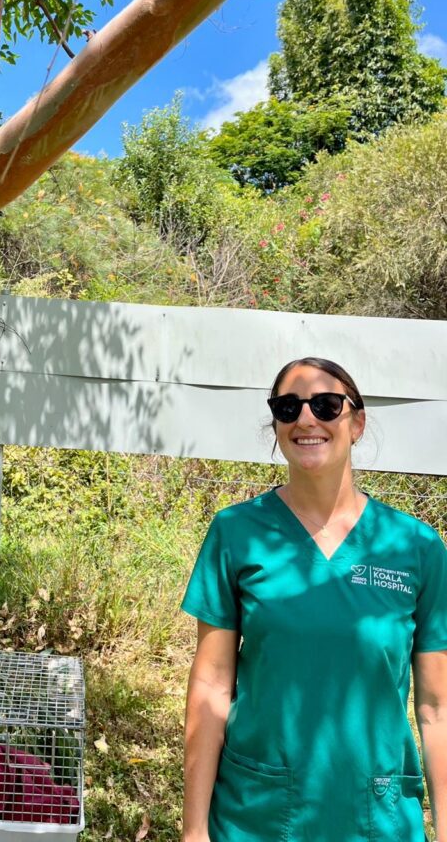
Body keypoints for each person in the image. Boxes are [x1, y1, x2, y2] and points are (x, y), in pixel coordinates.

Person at [181, 357, 447, 842]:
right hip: (256, 817)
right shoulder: (236, 533)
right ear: (277, 424)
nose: (306, 419)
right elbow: (212, 687)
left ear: (357, 422)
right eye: (288, 407)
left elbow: (436, 709)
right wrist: (194, 829)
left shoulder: (417, 548)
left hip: (378, 818)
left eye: (326, 405)